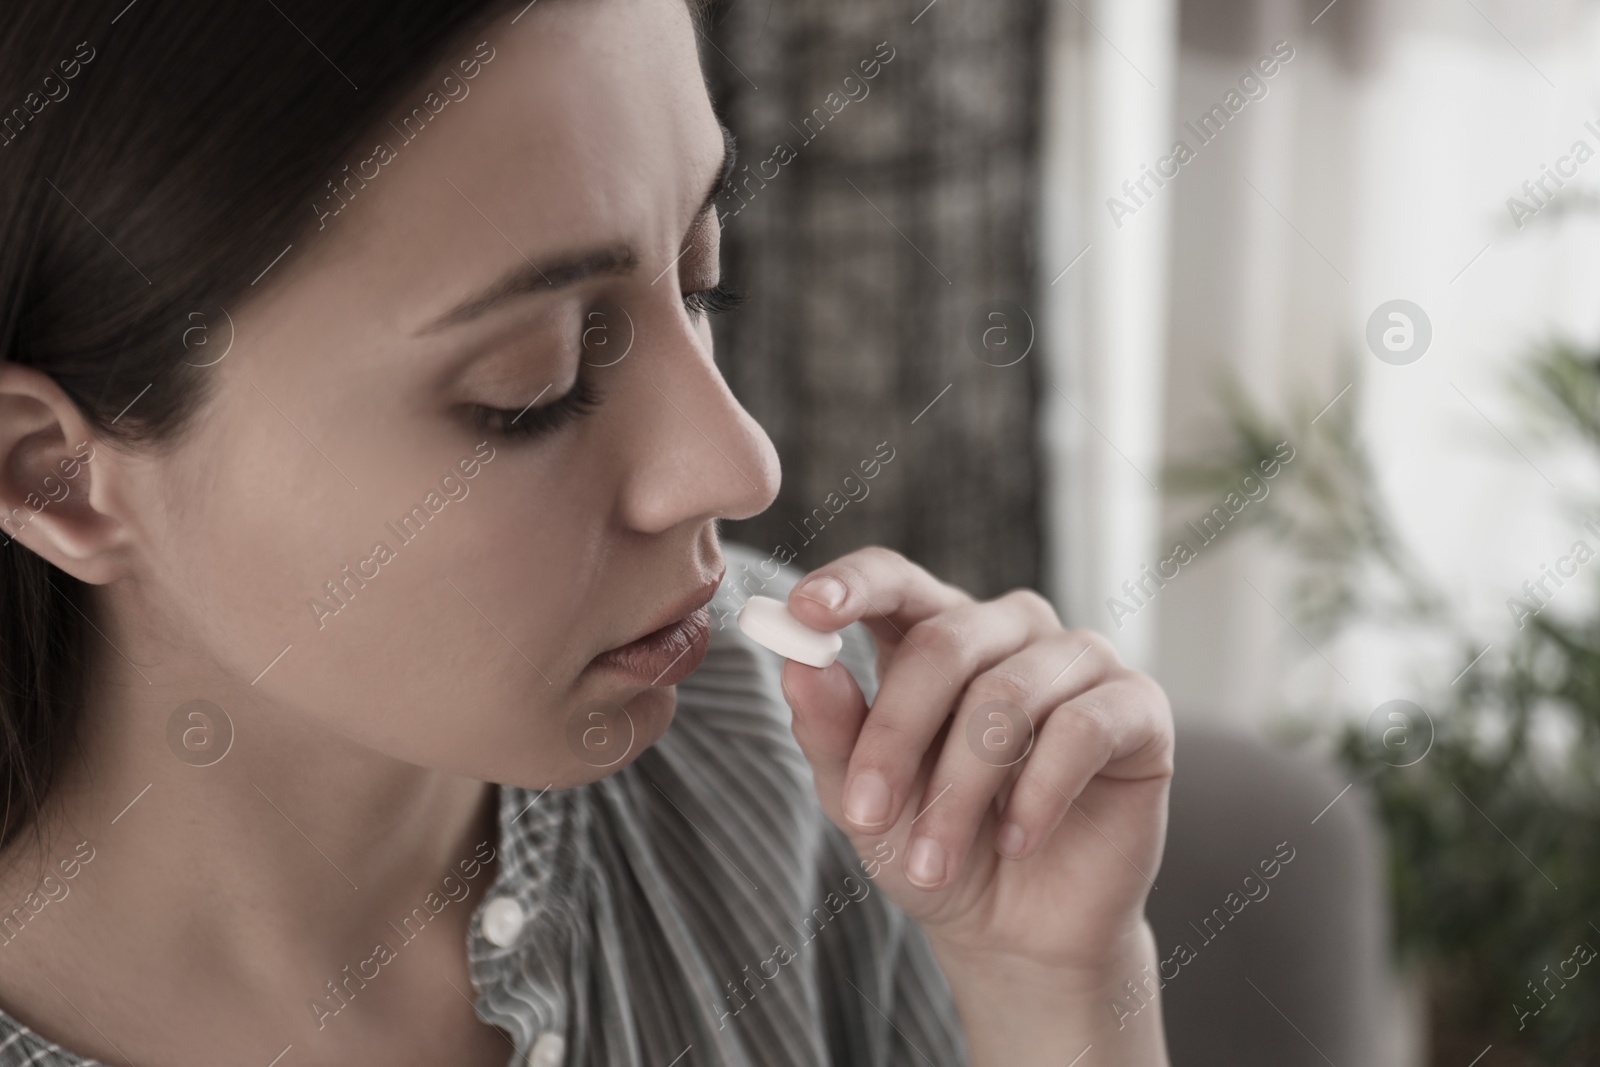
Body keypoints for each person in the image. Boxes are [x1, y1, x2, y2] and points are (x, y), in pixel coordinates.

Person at [0, 1, 1174, 1064]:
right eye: (534, 383)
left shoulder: (785, 754)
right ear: (56, 477)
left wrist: (1053, 996)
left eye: (702, 275)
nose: (741, 463)